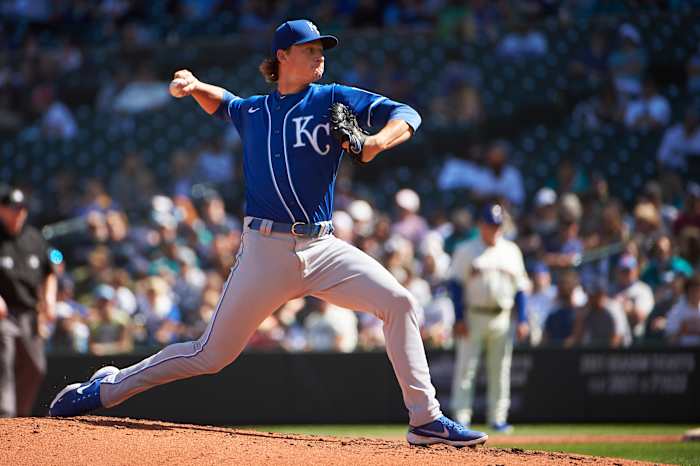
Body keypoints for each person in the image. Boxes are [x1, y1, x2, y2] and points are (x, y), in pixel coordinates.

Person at [48, 19, 487, 447]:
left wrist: (375, 142)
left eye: (321, 49)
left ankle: (425, 419)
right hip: (266, 251)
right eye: (310, 49)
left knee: (400, 302)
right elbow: (224, 102)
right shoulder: (254, 110)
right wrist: (195, 84)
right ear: (282, 56)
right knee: (209, 355)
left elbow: (406, 113)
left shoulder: (332, 96)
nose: (320, 56)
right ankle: (106, 389)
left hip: (323, 246)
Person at [448, 203, 529, 433]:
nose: (493, 229)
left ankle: (498, 418)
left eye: (496, 225)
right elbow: (455, 285)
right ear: (480, 225)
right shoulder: (466, 249)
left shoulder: (511, 250)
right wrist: (459, 317)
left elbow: (521, 288)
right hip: (474, 315)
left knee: (500, 369)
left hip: (502, 316)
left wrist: (522, 319)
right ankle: (462, 419)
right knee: (466, 369)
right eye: (489, 224)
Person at [0, 185, 57, 417]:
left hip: (28, 313)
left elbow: (49, 273)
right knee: (4, 357)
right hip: (4, 313)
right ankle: (4, 415)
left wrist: (49, 301)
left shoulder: (34, 237)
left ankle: (19, 419)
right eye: (12, 208)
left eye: (21, 208)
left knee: (36, 367)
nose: (18, 213)